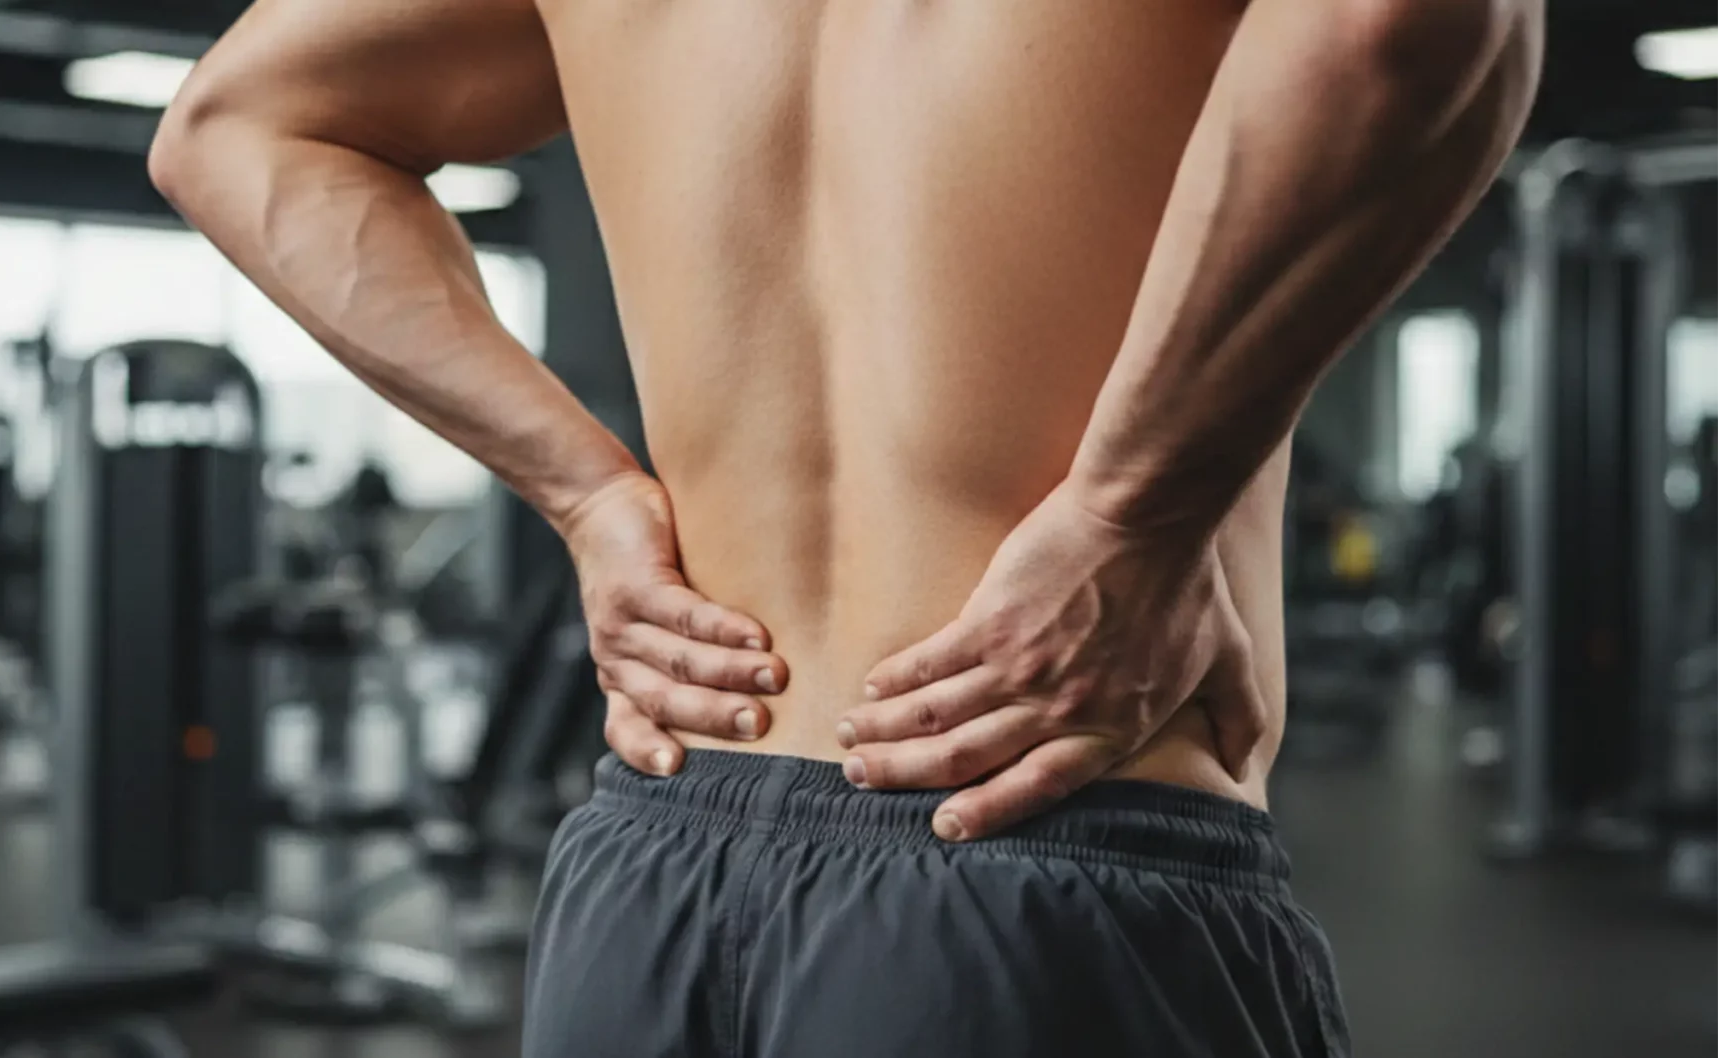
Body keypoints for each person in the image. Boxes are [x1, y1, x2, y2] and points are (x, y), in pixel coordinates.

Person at [151, 0, 1543, 1053]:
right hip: (1038, 836)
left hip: (651, 867)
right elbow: (1404, 25)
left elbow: (231, 127)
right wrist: (1138, 502)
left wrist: (587, 490)